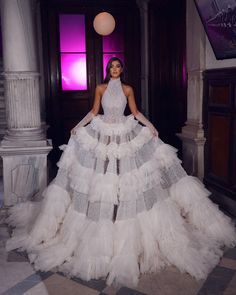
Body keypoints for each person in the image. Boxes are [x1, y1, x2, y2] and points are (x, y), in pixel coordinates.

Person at [6, 57, 236, 288]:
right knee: (103, 180)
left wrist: (151, 126)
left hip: (125, 133)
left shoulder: (128, 89)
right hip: (103, 132)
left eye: (118, 67)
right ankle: (105, 218)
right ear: (108, 70)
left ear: (122, 69)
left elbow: (135, 112)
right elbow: (94, 111)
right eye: (111, 67)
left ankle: (124, 219)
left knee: (129, 181)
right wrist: (78, 126)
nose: (115, 69)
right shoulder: (100, 88)